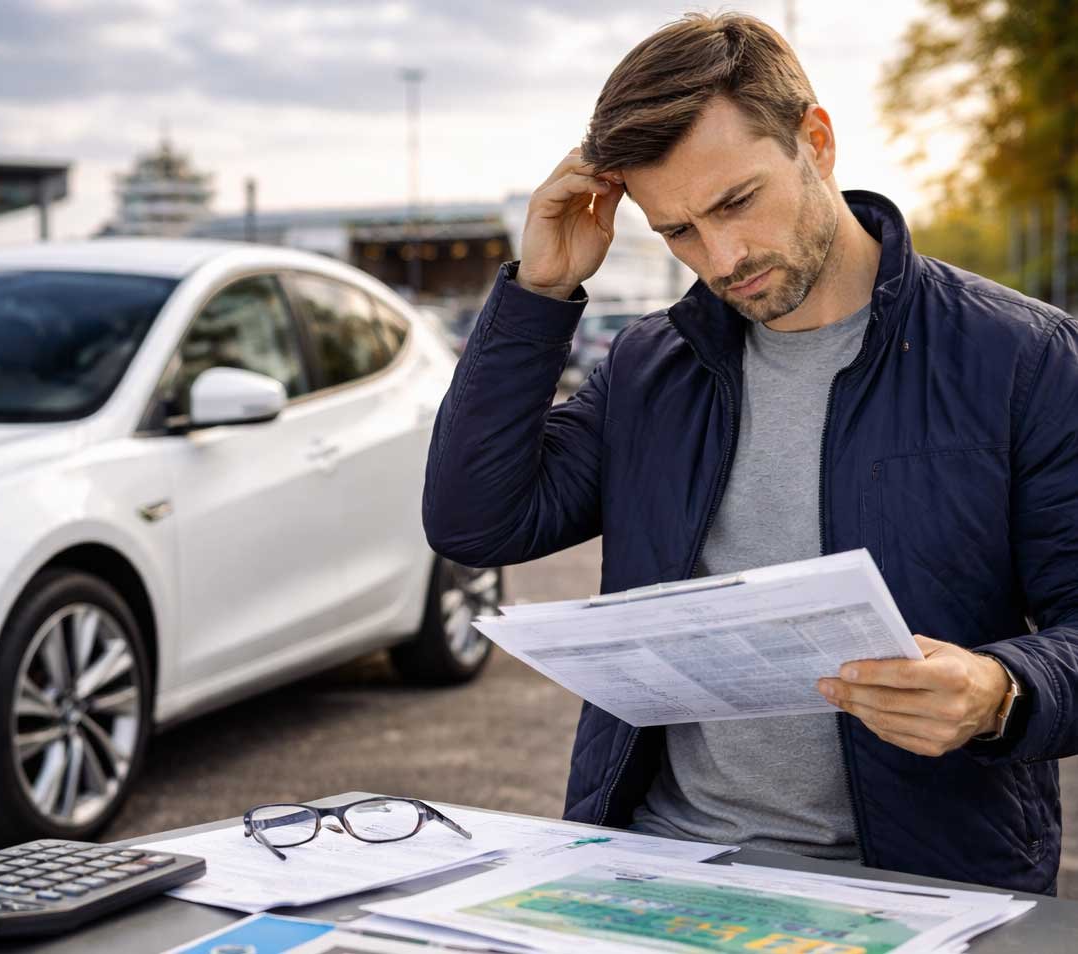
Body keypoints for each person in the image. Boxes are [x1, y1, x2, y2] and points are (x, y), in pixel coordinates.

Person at [422, 12, 1078, 895]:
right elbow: (476, 520)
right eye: (678, 232)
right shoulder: (651, 366)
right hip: (655, 866)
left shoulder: (1021, 360)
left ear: (815, 139)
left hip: (919, 885)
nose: (721, 258)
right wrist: (541, 292)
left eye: (735, 202)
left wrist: (1003, 689)